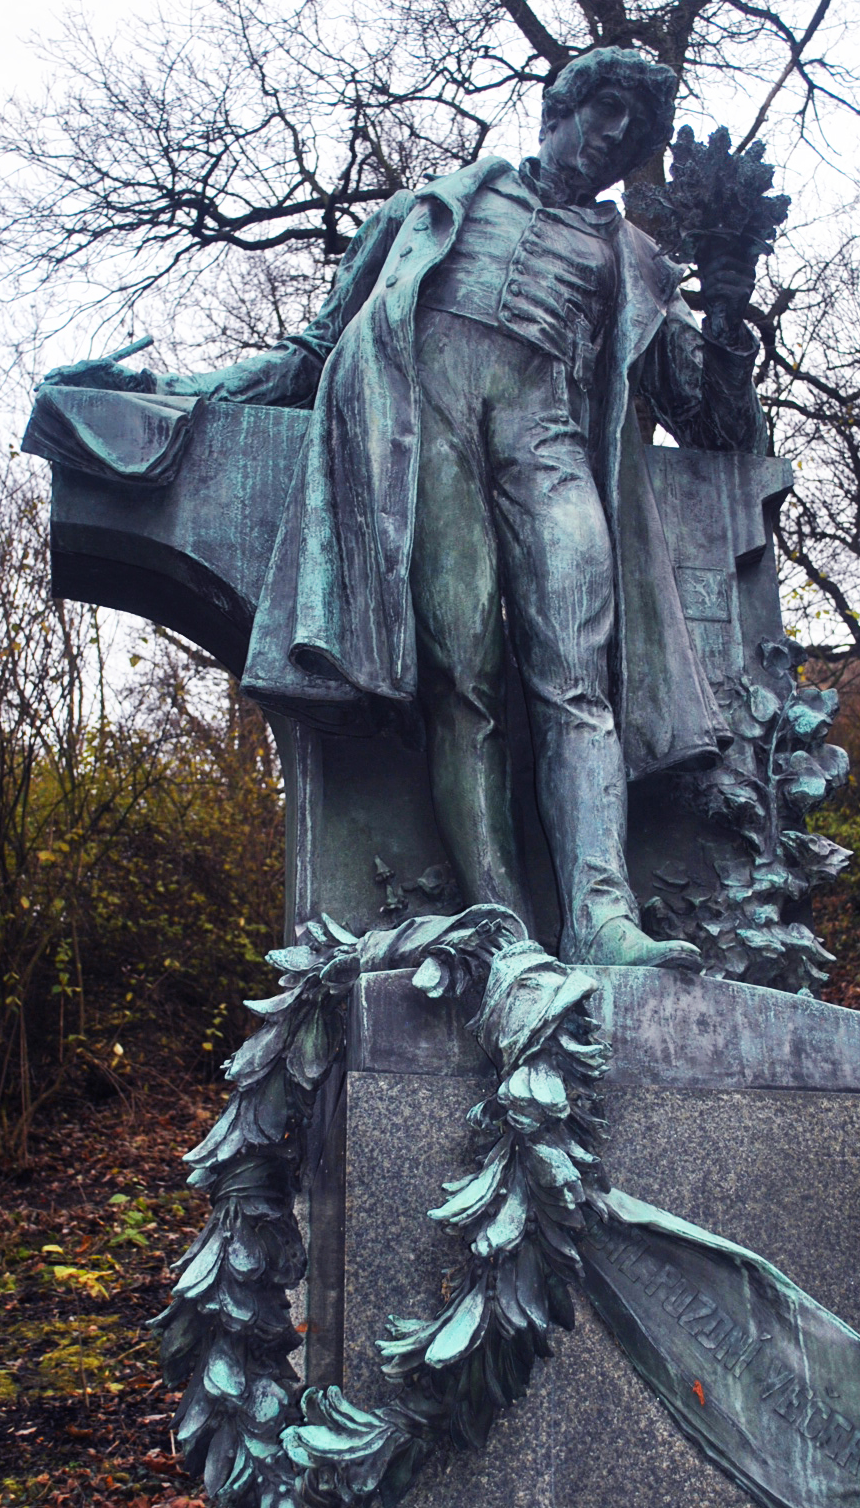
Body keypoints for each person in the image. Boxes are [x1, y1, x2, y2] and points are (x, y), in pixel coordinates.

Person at [47, 48, 768, 966]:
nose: (619, 137)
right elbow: (313, 352)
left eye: (638, 130)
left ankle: (601, 918)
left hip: (549, 445)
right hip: (427, 437)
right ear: (560, 109)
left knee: (579, 678)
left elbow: (718, 421)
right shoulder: (430, 211)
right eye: (609, 109)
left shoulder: (634, 263)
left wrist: (729, 301)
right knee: (464, 678)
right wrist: (170, 390)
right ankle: (502, 925)